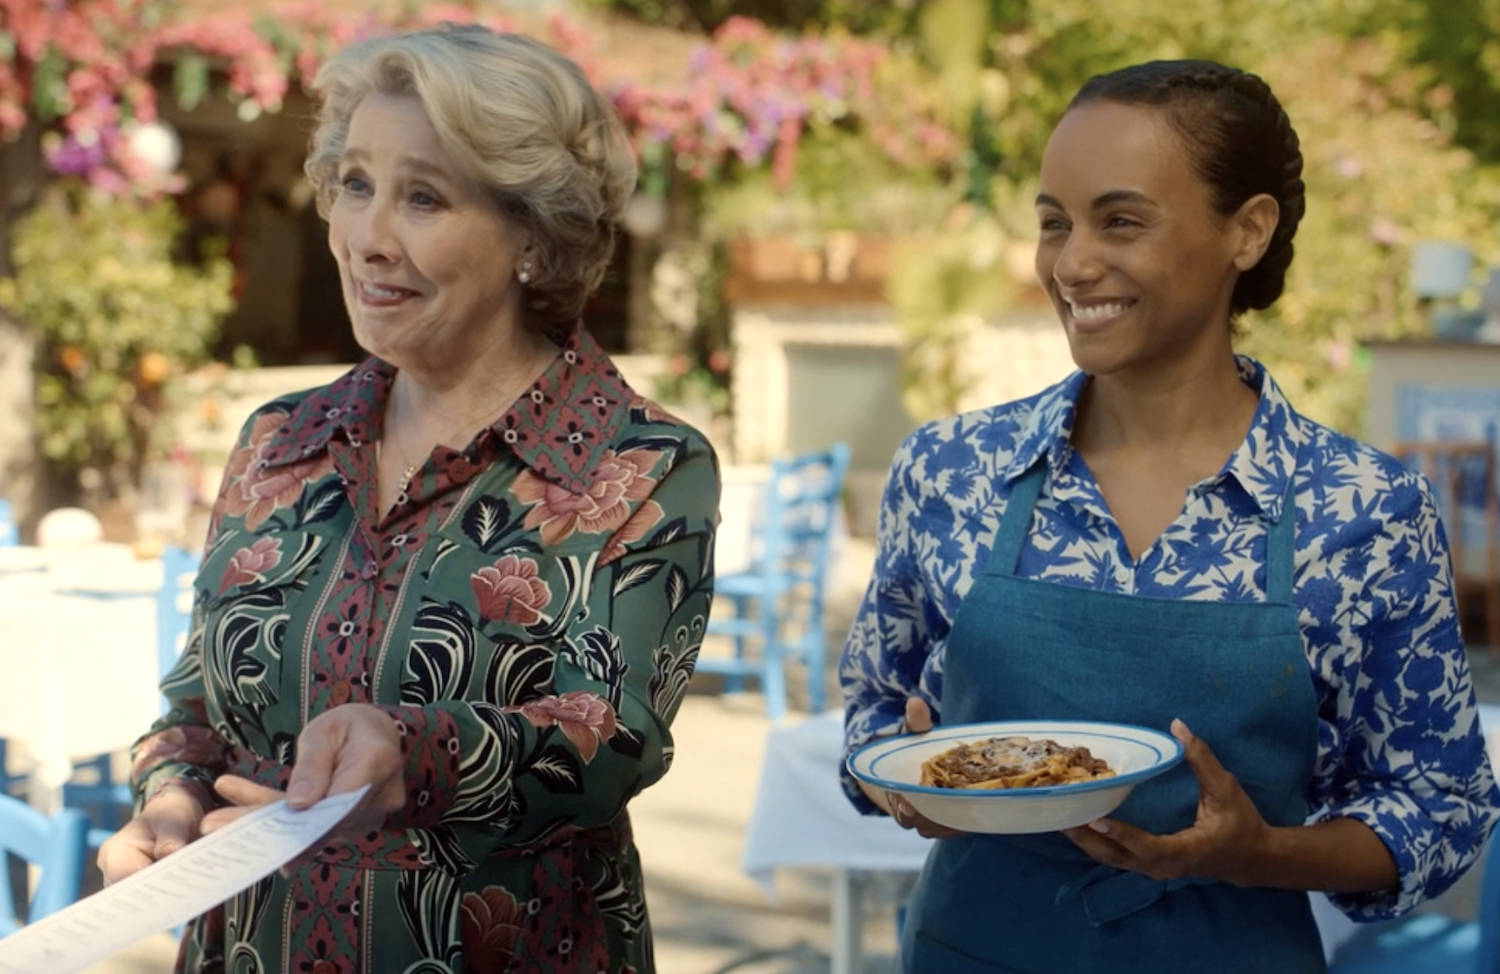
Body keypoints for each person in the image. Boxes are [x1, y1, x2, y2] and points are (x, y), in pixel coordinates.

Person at [839, 59, 1500, 973]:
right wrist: (904, 781)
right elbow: (874, 707)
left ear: (1248, 231)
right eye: (1054, 223)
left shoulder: (1363, 512)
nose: (1072, 264)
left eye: (1121, 221)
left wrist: (1262, 854)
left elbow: (1439, 807)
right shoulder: (953, 471)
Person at [99, 24, 720, 974]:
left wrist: (414, 753)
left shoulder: (638, 463)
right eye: (355, 184)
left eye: (423, 197)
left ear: (532, 234)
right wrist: (171, 799)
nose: (367, 239)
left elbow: (616, 735)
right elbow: (196, 703)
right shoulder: (279, 441)